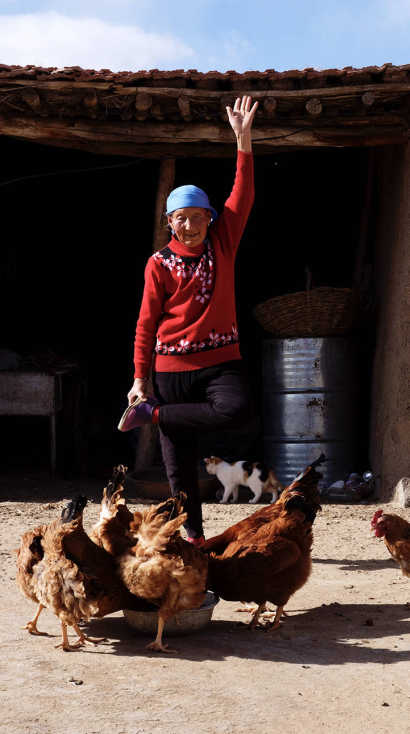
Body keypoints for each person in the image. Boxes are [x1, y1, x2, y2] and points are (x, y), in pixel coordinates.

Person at [119, 95, 259, 544]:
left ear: (210, 219)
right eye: (182, 218)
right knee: (178, 463)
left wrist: (243, 140)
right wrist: (140, 379)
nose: (191, 225)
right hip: (171, 369)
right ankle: (194, 536)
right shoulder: (158, 263)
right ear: (170, 222)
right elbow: (145, 325)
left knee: (237, 410)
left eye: (199, 217)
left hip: (221, 362)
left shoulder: (223, 243)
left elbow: (243, 193)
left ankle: (153, 415)